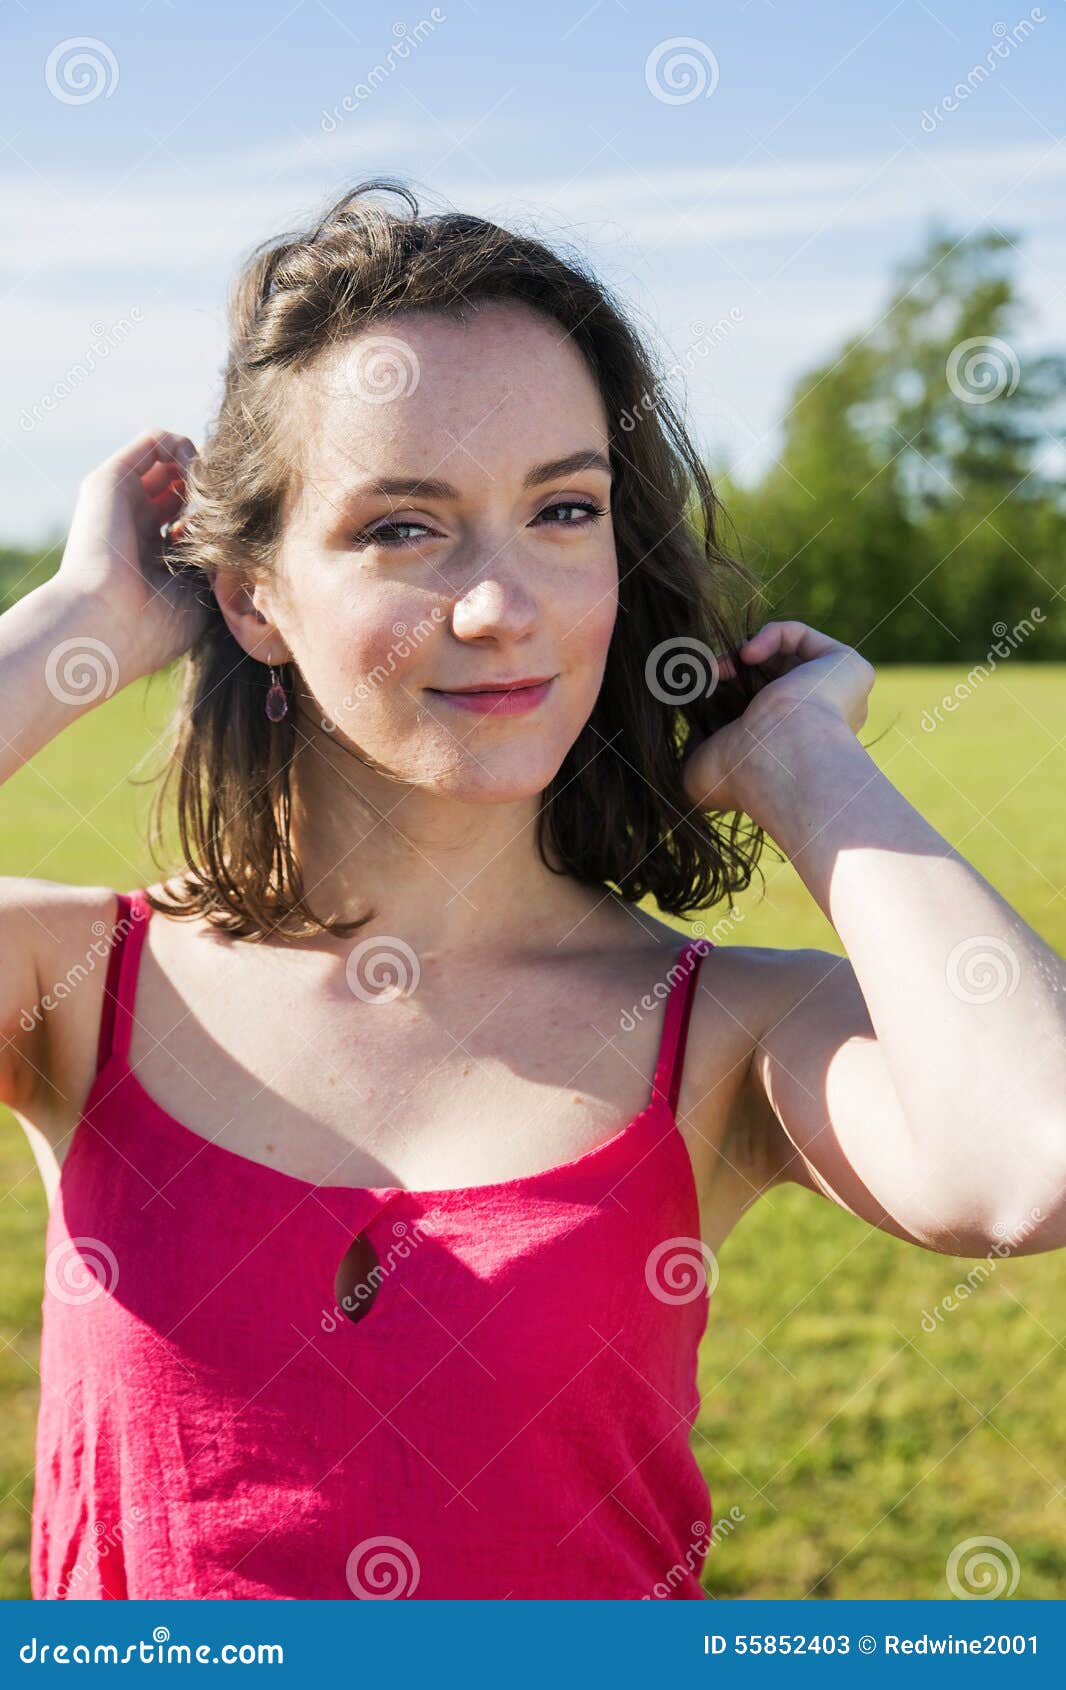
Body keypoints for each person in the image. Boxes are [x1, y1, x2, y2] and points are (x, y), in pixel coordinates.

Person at [3, 180, 1063, 1602]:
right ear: (254, 596)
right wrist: (80, 620)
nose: (505, 605)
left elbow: (1026, 1158)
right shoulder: (79, 981)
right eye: (401, 528)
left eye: (562, 509)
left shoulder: (723, 1034)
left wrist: (803, 763)